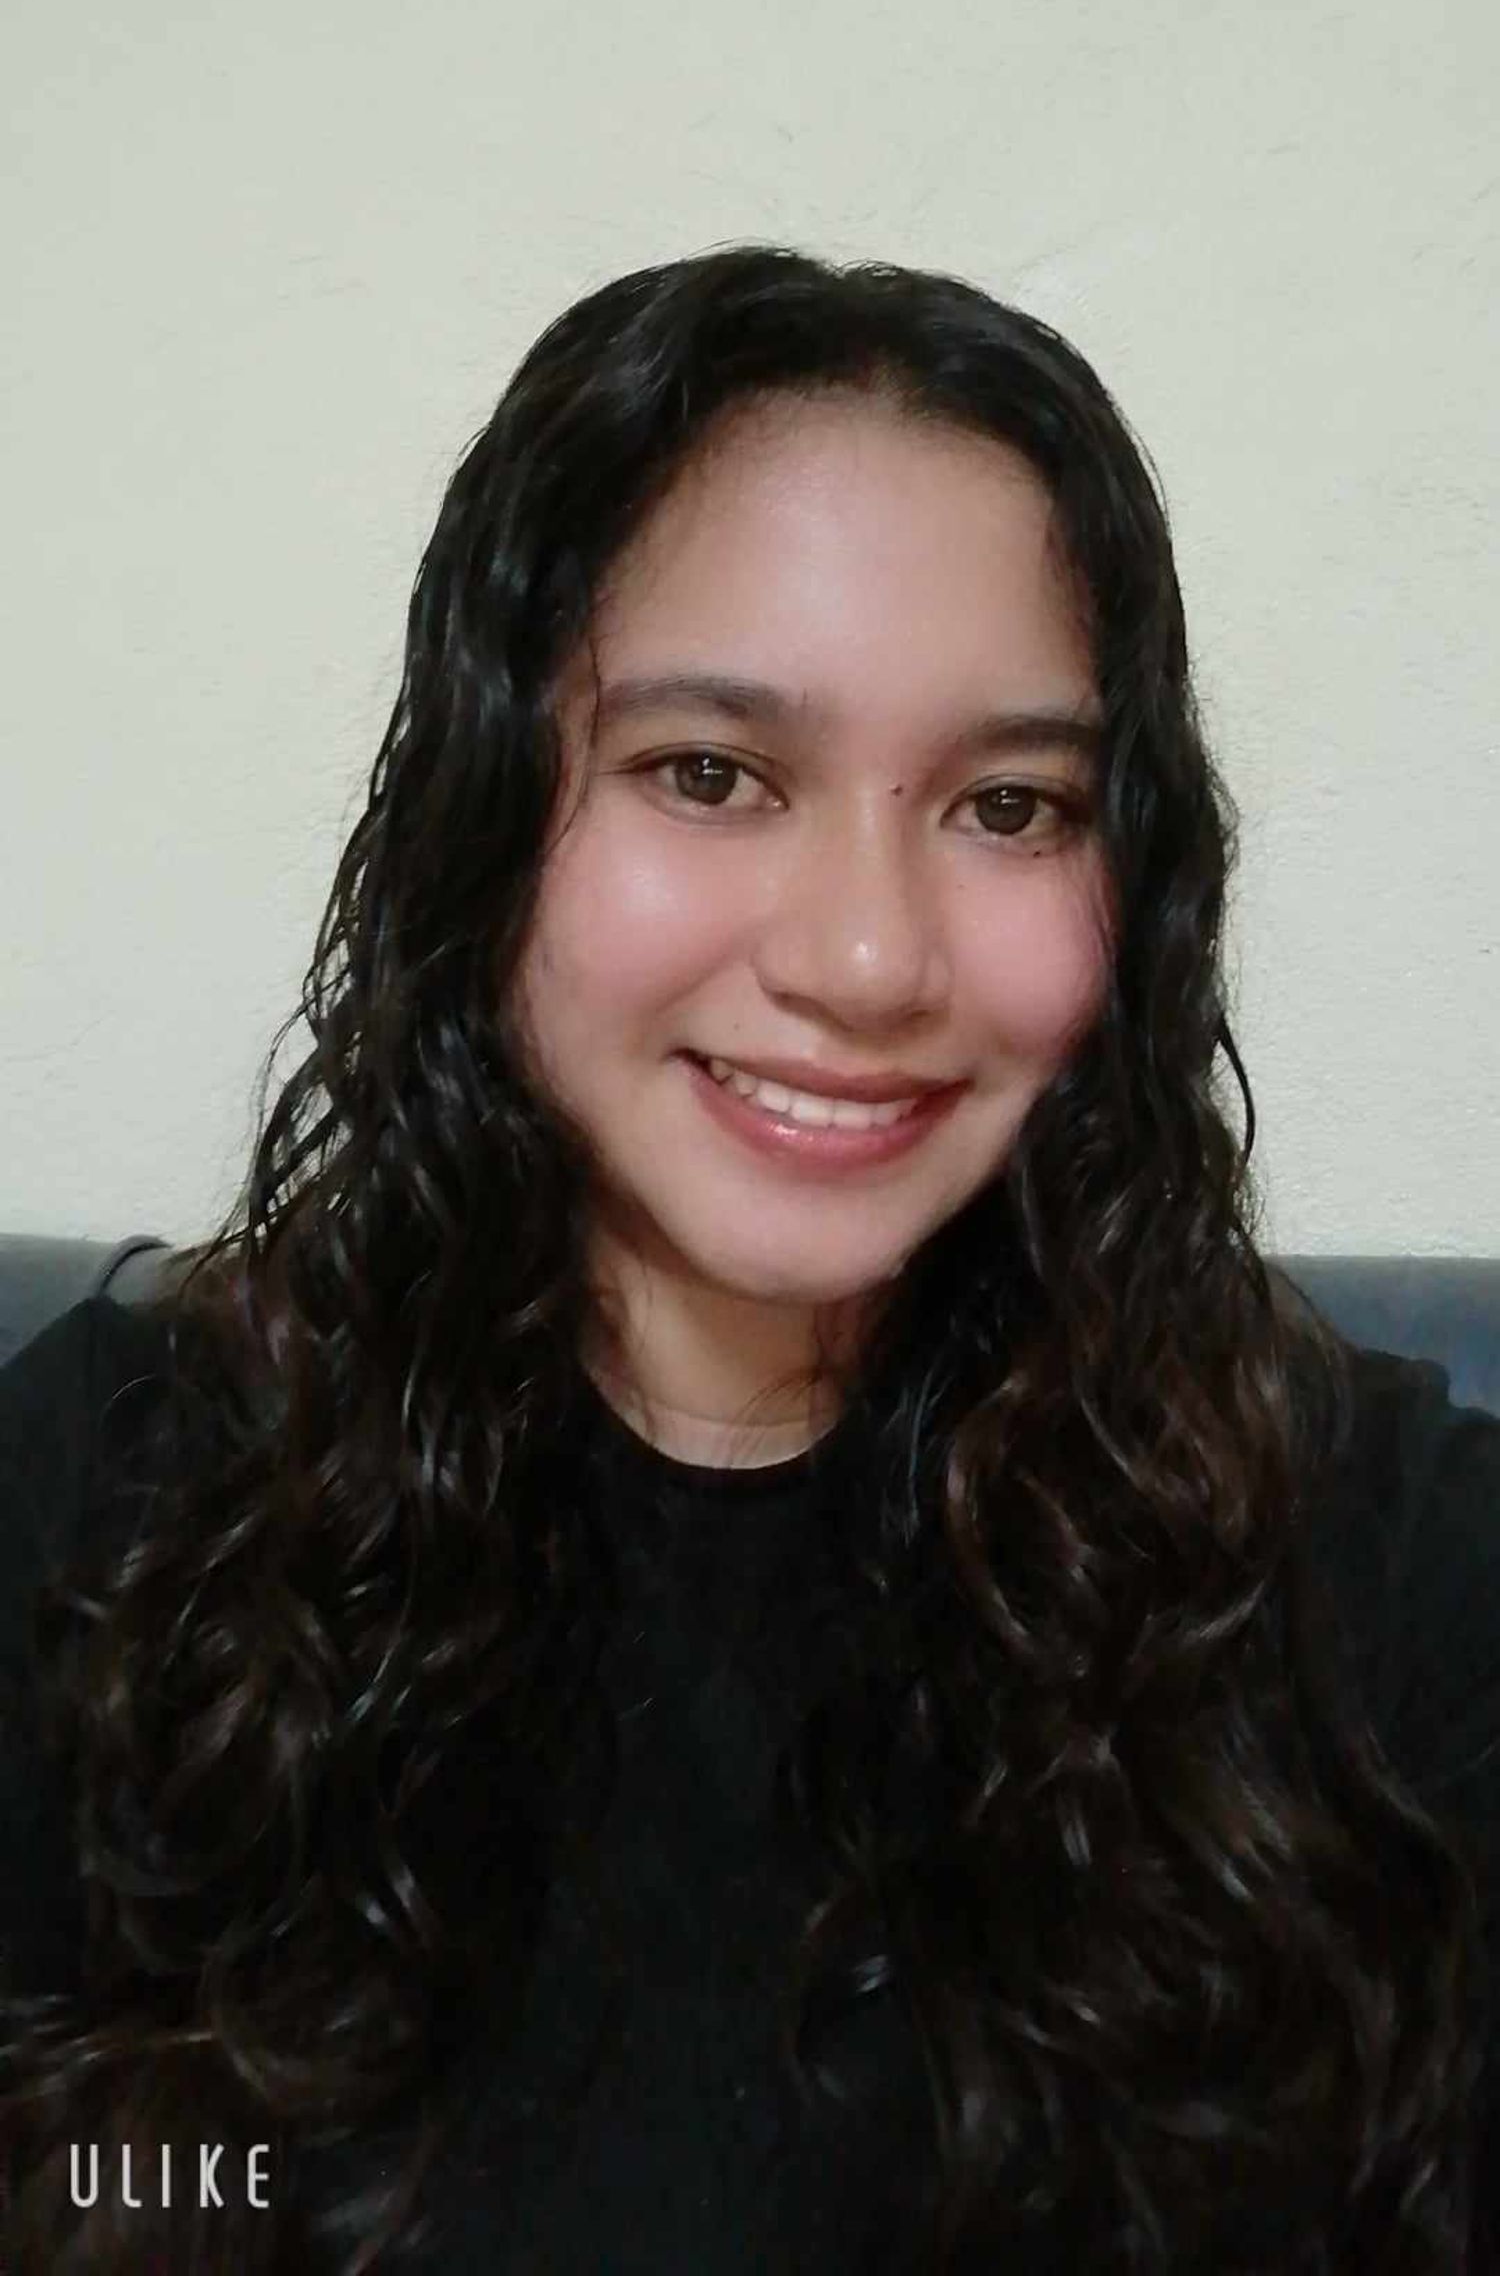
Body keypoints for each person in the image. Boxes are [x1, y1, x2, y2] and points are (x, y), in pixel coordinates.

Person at [0, 245, 1495, 2275]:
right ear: (486, 813)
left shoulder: (1378, 1571)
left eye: (1009, 804)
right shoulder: (112, 1503)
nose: (867, 958)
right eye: (710, 773)